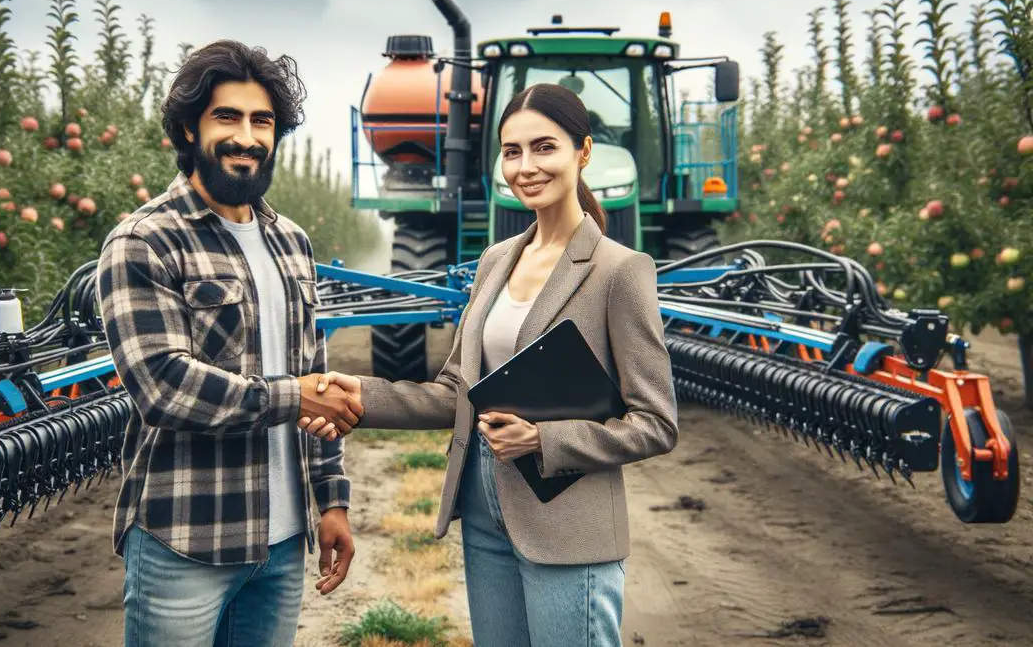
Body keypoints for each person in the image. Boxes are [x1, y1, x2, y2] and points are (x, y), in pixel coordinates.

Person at [300, 82, 679, 646]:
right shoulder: (496, 261)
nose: (526, 166)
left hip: (568, 520)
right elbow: (460, 392)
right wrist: (361, 392)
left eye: (544, 148)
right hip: (483, 506)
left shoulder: (618, 271)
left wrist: (544, 440)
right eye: (512, 151)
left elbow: (656, 423)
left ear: (583, 151)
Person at [95, 39, 363, 647]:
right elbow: (165, 386)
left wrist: (332, 501)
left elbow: (313, 379)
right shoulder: (144, 240)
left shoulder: (290, 241)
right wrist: (296, 397)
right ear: (189, 128)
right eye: (228, 117)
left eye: (262, 121)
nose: (247, 136)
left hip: (283, 541)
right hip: (185, 538)